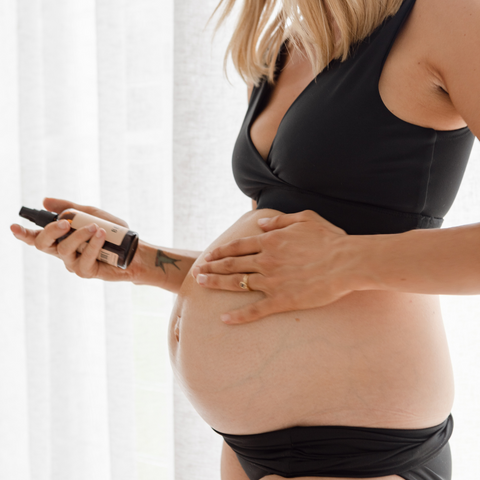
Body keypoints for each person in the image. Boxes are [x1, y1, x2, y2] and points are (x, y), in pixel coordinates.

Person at [10, 0, 480, 478]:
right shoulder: (288, 45)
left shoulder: (448, 14)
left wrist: (345, 258)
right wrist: (145, 260)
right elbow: (279, 260)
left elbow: (325, 260)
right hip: (246, 449)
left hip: (356, 446)